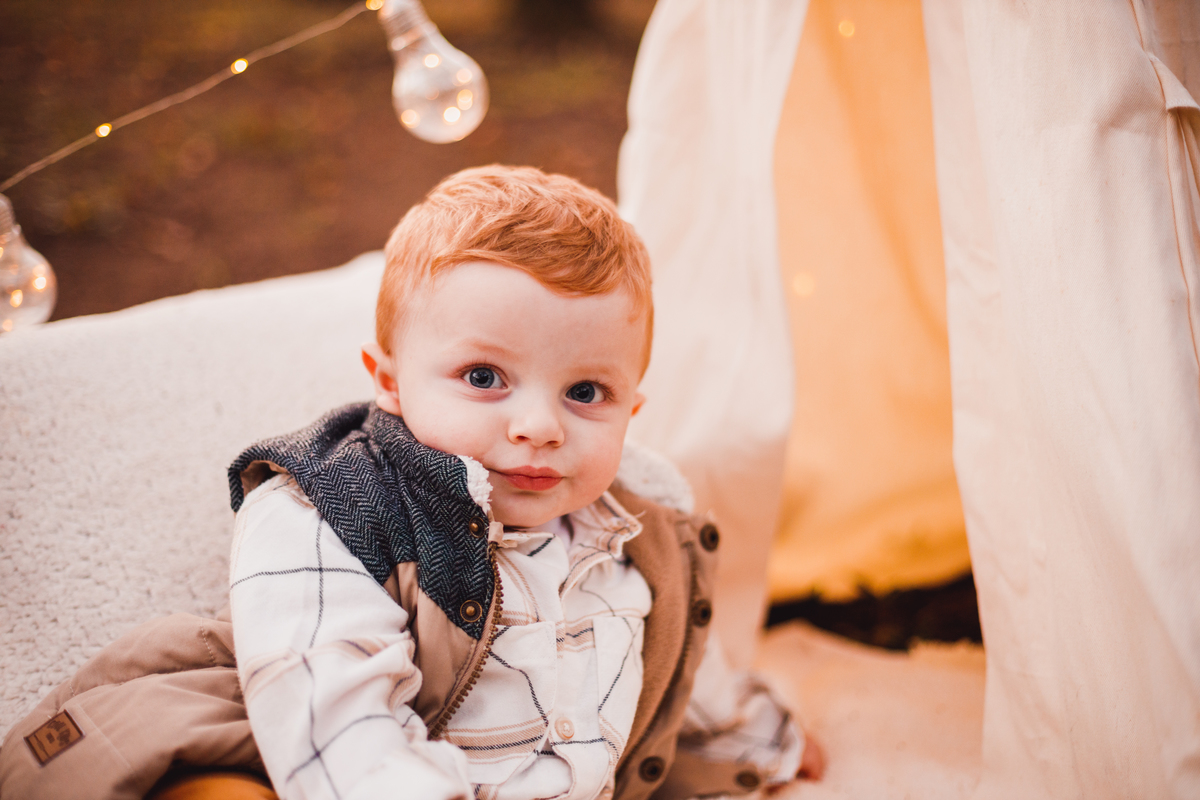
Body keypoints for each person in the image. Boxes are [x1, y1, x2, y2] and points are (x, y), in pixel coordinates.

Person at [222, 165, 821, 800]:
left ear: (631, 412)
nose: (539, 427)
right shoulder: (329, 510)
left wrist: (762, 739)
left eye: (586, 393)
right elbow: (339, 727)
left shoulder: (634, 542)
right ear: (390, 381)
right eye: (484, 377)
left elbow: (679, 669)